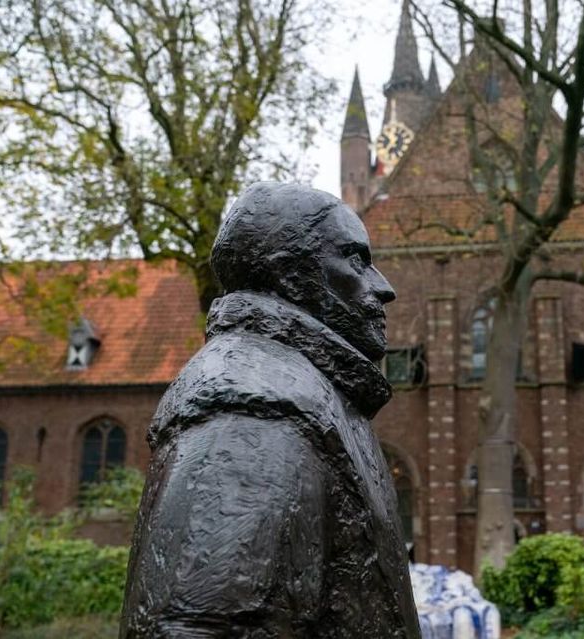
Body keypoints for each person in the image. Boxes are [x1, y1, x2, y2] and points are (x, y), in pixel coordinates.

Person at [121, 182, 421, 638]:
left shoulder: (306, 393)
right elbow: (201, 626)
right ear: (289, 277)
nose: (384, 288)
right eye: (356, 260)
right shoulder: (256, 404)